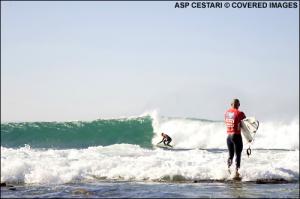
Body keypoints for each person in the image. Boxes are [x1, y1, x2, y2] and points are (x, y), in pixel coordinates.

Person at [224, 98, 246, 177]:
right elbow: (246, 124)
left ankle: (229, 171)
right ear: (238, 105)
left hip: (228, 136)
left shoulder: (226, 113)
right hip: (236, 136)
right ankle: (237, 173)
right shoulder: (240, 113)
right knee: (238, 155)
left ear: (231, 104)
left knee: (231, 155)